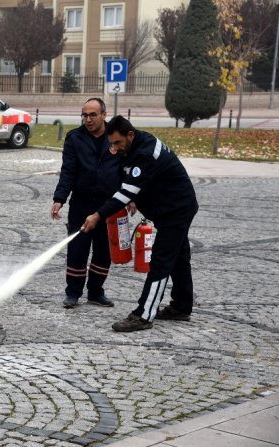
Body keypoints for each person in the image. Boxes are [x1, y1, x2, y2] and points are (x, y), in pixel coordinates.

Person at [80, 115, 198, 332]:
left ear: (130, 135)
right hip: (168, 209)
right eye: (111, 143)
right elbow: (131, 181)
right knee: (179, 258)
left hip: (176, 210)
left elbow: (127, 190)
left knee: (161, 261)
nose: (114, 148)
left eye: (117, 143)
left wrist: (97, 215)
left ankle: (143, 315)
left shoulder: (146, 153)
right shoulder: (134, 147)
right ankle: (182, 306)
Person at [51, 98, 122, 308]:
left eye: (92, 115)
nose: (88, 120)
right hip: (81, 203)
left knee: (104, 251)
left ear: (103, 115)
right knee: (77, 249)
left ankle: (96, 292)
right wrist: (59, 199)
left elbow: (126, 169)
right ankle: (72, 292)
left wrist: (131, 198)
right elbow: (68, 171)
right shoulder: (75, 138)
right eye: (84, 115)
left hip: (109, 204)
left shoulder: (115, 137)